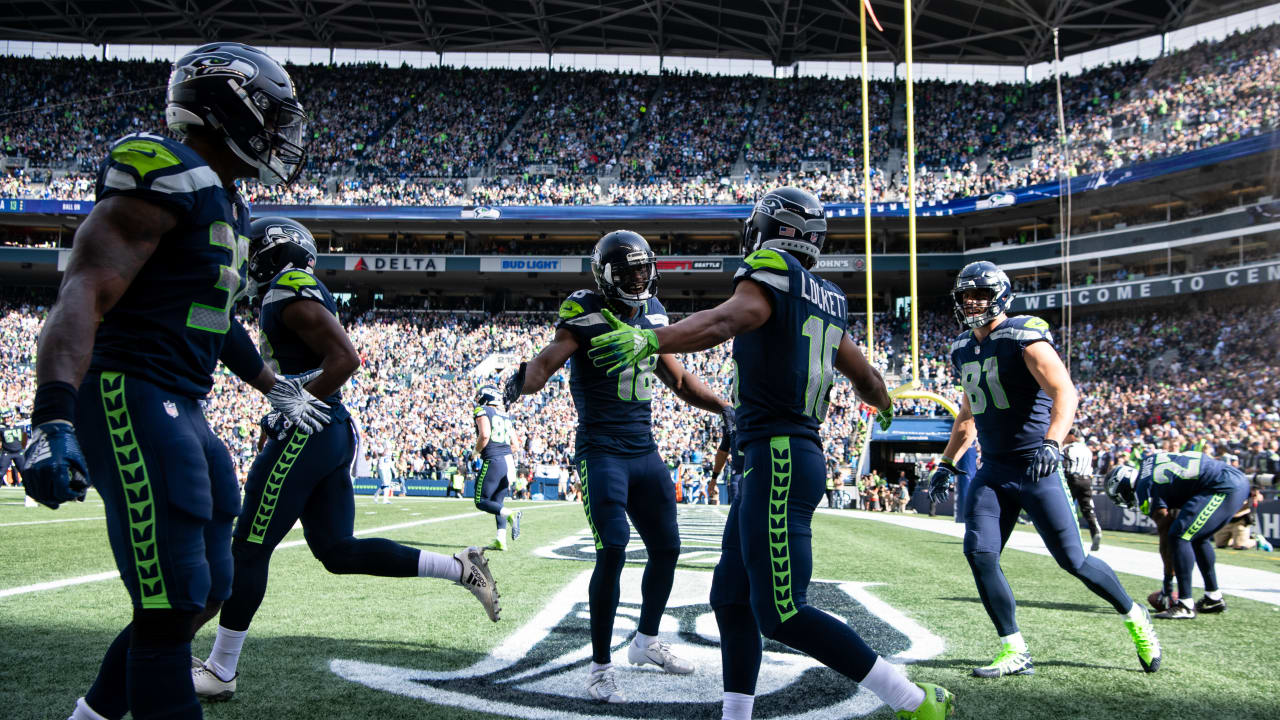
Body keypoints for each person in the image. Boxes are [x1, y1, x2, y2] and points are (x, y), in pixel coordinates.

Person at [18, 43, 335, 720]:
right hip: (129, 392)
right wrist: (52, 416)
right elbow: (83, 290)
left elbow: (211, 316)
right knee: (172, 604)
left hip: (182, 402)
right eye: (272, 116)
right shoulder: (166, 170)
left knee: (212, 585)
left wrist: (271, 384)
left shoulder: (226, 201)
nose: (283, 133)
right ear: (230, 109)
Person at [587, 188, 953, 720]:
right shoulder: (826, 296)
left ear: (770, 231)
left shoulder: (769, 276)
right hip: (774, 455)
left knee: (781, 611)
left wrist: (653, 340)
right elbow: (867, 376)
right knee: (731, 601)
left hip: (779, 452)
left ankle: (913, 700)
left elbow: (723, 322)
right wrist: (884, 402)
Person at [190, 217, 500, 701]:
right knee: (336, 551)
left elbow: (346, 359)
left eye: (261, 253)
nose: (253, 261)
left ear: (280, 254)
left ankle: (221, 668)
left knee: (248, 548)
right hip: (326, 429)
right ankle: (460, 567)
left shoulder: (290, 287)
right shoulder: (288, 290)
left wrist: (294, 404)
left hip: (310, 429)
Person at [504, 229, 733, 704]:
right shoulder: (583, 311)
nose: (638, 278)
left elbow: (681, 380)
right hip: (602, 450)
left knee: (668, 548)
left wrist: (724, 407)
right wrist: (516, 382)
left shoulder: (652, 314)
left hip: (644, 450)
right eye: (628, 271)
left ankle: (645, 643)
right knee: (613, 547)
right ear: (606, 276)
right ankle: (599, 666)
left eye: (644, 269)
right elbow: (546, 364)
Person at [927, 260, 1161, 679]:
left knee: (1073, 560)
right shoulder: (962, 347)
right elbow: (968, 412)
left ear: (1000, 296)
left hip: (1035, 465)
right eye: (966, 294)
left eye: (980, 293)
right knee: (979, 554)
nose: (972, 301)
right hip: (994, 469)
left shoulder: (1024, 338)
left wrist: (1053, 441)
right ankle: (1014, 649)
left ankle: (1133, 614)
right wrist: (947, 462)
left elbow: (1064, 391)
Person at [1105, 450, 1250, 618]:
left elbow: (1165, 537)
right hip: (1230, 478)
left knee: (1179, 536)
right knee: (1197, 538)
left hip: (1221, 485)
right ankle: (1213, 597)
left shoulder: (1144, 490)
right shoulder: (1149, 462)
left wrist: (1167, 586)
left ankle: (1185, 604)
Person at [471, 384, 522, 550]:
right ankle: (501, 540)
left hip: (494, 461)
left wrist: (475, 452)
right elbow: (515, 445)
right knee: (498, 502)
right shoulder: (505, 415)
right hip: (508, 461)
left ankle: (512, 514)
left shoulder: (482, 410)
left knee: (481, 501)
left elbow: (484, 435)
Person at [1062, 428, 1102, 550]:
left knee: (1066, 508)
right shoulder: (1087, 450)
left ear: (1073, 436)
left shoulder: (1068, 449)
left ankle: (1068, 538)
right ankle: (1095, 531)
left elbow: (1065, 467)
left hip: (1072, 479)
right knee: (1087, 508)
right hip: (1086, 480)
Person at [1, 409, 26, 486]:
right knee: (1, 472)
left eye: (8, 417)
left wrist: (23, 448)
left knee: (25, 473)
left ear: (12, 417)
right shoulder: (2, 427)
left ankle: (31, 492)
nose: (6, 419)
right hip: (7, 453)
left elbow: (25, 438)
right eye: (4, 418)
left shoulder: (20, 425)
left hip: (19, 452)